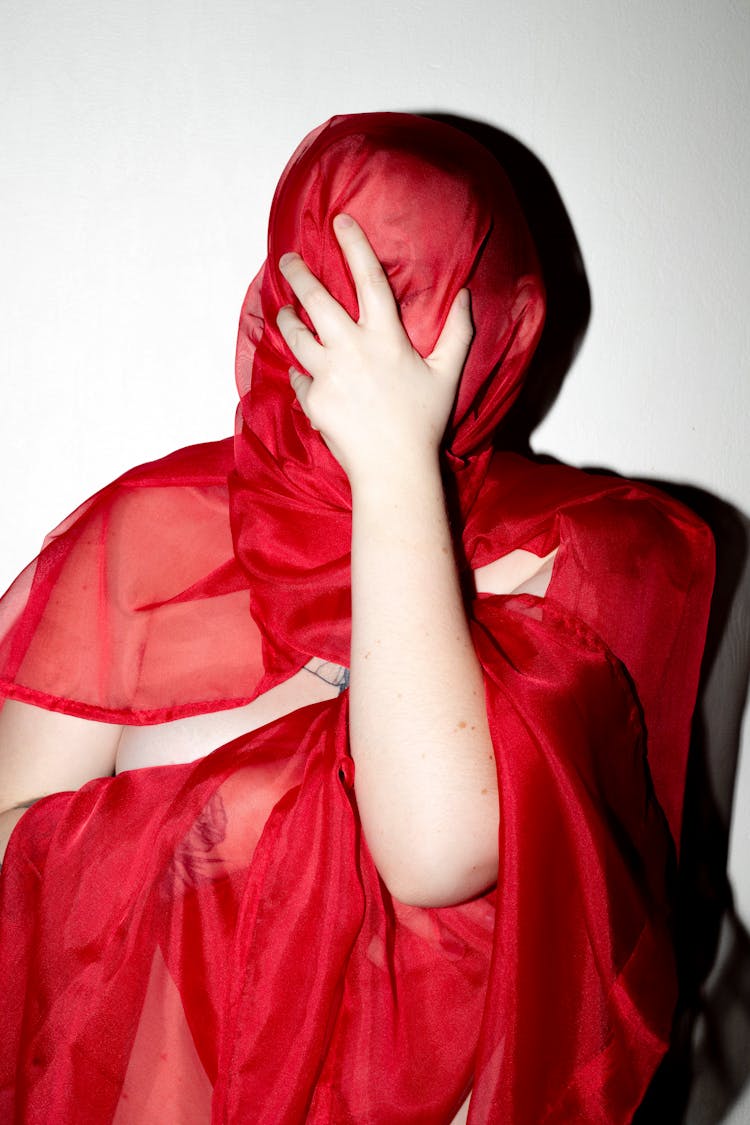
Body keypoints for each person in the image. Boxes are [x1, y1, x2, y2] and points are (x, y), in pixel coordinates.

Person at [0, 113, 714, 1123]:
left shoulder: (592, 556)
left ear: (502, 329)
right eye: (337, 288)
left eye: (418, 297)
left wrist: (392, 474)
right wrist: (196, 841)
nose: (374, 333)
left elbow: (435, 848)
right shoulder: (151, 540)